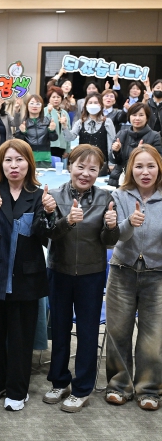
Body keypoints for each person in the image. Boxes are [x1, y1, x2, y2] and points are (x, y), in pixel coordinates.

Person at [0, 139, 54, 411]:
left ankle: (18, 391)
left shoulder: (40, 195)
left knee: (21, 338)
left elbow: (46, 235)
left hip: (26, 277)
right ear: (1, 165)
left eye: (19, 159)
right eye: (8, 160)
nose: (14, 165)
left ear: (29, 163)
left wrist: (50, 213)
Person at [44, 144, 119, 412]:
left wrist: (112, 226)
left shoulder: (106, 197)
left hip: (91, 273)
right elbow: (48, 234)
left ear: (99, 172)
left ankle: (82, 388)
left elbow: (109, 241)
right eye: (80, 166)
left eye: (93, 169)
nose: (85, 173)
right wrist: (67, 221)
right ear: (70, 166)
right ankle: (59, 381)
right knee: (60, 328)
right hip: (59, 270)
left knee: (87, 332)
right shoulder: (53, 195)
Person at [105, 145, 162, 410]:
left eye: (151, 166)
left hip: (157, 274)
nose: (145, 172)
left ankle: (149, 388)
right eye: (139, 166)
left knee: (154, 336)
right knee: (118, 332)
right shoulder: (119, 195)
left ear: (159, 168)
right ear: (131, 170)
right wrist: (130, 222)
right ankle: (119, 386)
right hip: (122, 271)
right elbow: (115, 236)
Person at [108, 102, 162, 186]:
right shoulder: (121, 134)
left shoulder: (155, 136)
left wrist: (143, 153)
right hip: (121, 179)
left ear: (147, 117)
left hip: (143, 179)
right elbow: (113, 160)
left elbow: (158, 160)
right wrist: (115, 151)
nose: (137, 118)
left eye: (141, 115)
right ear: (129, 117)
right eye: (134, 115)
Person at [63, 92, 116, 176]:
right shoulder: (80, 122)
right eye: (90, 102)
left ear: (101, 105)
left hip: (100, 163)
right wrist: (65, 126)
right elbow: (70, 138)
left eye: (96, 102)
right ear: (86, 105)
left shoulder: (107, 122)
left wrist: (111, 163)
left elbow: (111, 144)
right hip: (82, 162)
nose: (93, 105)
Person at [14, 94, 58, 168]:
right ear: (27, 106)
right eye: (32, 103)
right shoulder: (23, 121)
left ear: (41, 106)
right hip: (28, 158)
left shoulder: (47, 120)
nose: (34, 106)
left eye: (38, 104)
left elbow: (54, 138)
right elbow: (18, 141)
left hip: (45, 159)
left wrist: (52, 131)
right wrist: (22, 132)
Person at [45, 87, 72, 158]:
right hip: (48, 146)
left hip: (61, 146)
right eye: (53, 97)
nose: (56, 99)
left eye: (58, 97)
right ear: (49, 99)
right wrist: (49, 112)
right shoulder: (44, 111)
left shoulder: (65, 113)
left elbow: (68, 131)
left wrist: (67, 149)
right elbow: (42, 126)